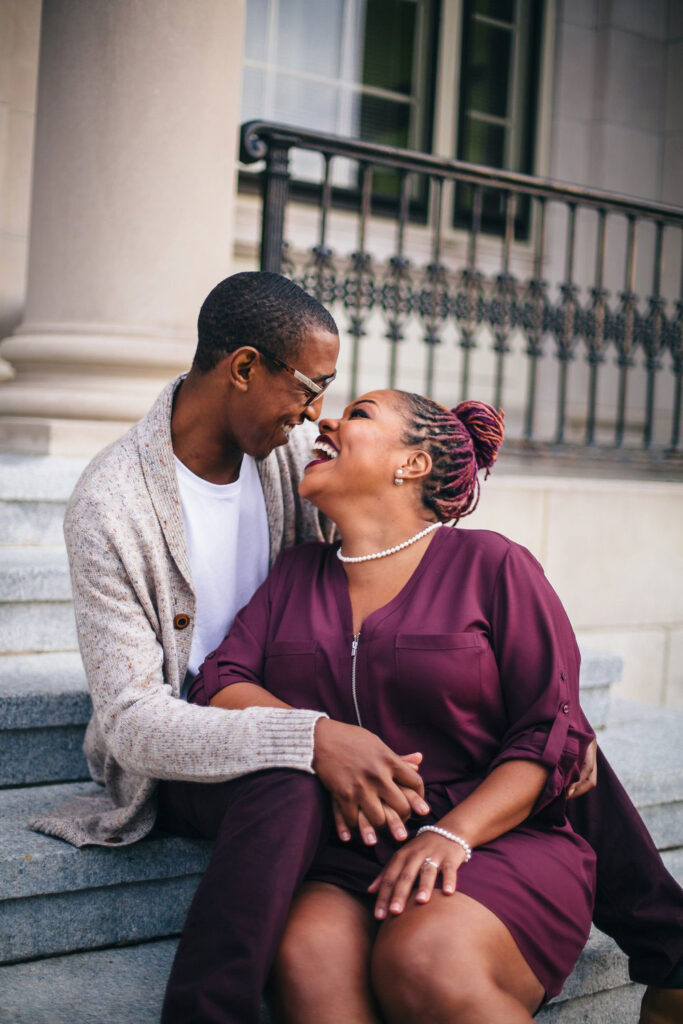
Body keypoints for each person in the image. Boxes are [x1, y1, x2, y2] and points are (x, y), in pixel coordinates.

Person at [29, 273, 681, 1023]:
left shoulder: (302, 458)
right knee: (293, 789)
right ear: (244, 369)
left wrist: (549, 742)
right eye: (312, 388)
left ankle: (670, 949)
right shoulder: (114, 503)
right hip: (198, 746)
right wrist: (313, 736)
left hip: (406, 787)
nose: (319, 418)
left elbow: (394, 503)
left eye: (340, 401)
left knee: (559, 739)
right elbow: (137, 718)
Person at [182, 389, 676, 1022]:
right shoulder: (295, 574)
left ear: (411, 464)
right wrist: (320, 732)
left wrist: (451, 834)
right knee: (306, 962)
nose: (326, 421)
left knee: (425, 959)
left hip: (496, 839)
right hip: (344, 850)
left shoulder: (491, 565)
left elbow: (548, 734)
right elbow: (219, 681)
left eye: (358, 414)